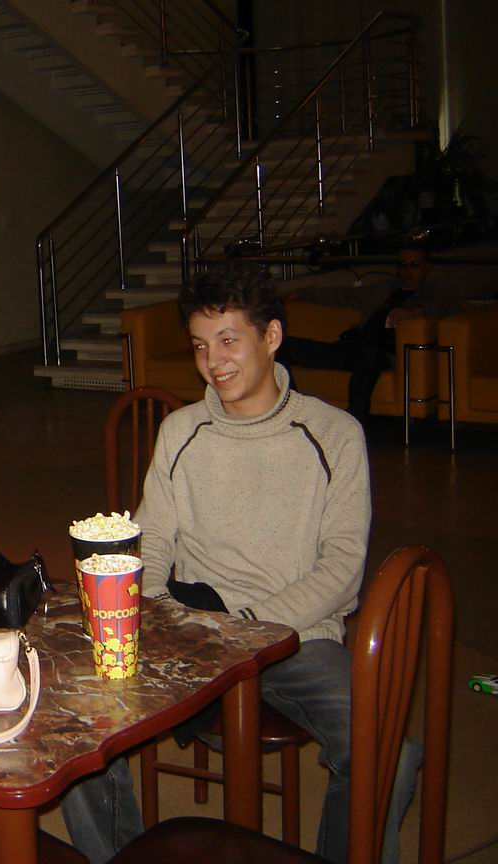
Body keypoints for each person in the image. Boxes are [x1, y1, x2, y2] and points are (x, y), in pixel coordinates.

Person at [60, 263, 420, 864]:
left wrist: (250, 627)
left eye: (228, 340)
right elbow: (153, 544)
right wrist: (162, 614)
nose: (213, 362)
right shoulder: (181, 431)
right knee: (76, 723)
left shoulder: (334, 434)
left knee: (389, 750)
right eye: (201, 346)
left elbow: (341, 570)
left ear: (271, 336)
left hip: (294, 638)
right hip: (194, 630)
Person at [277, 244, 462, 421]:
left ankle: (355, 421)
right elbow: (345, 295)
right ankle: (293, 412)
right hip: (352, 346)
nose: (408, 271)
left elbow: (451, 307)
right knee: (282, 345)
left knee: (370, 353)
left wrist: (416, 311)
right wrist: (304, 293)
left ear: (427, 267)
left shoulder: (431, 294)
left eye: (415, 265)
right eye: (403, 265)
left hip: (383, 353)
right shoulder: (383, 289)